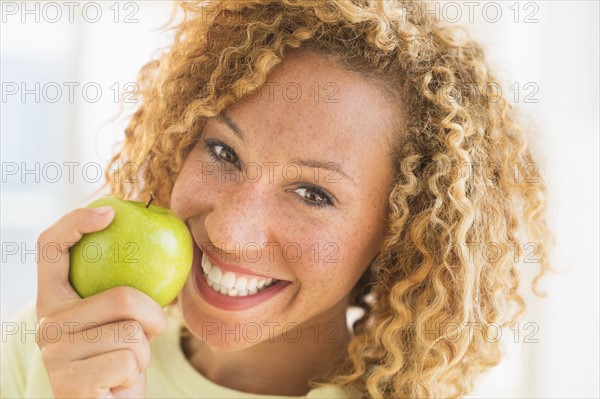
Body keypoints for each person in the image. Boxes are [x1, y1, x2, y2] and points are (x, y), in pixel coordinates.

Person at [1, 0, 552, 398]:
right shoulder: (49, 349)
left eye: (313, 193)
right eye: (222, 151)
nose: (229, 231)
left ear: (400, 236)